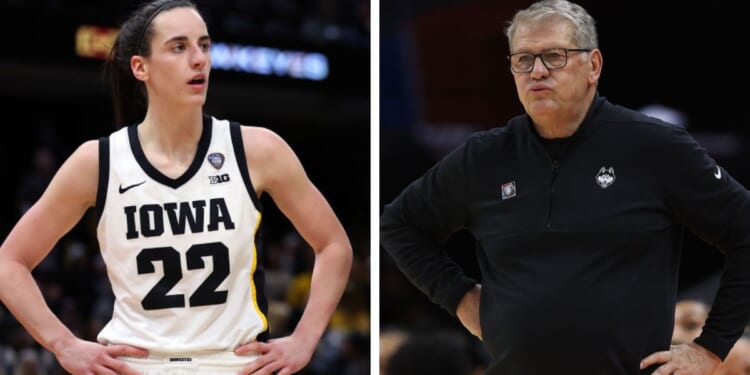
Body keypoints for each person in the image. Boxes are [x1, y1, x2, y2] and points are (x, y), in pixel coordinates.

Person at [380, 0, 750, 374]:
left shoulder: (656, 148)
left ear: (593, 66)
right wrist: (457, 295)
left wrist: (710, 347)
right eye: (522, 59)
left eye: (554, 56)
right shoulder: (484, 157)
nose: (536, 71)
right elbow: (399, 225)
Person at [0, 1, 353, 374]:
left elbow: (333, 245)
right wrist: (63, 343)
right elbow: (9, 262)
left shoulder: (256, 150)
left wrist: (305, 338)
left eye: (204, 45)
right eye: (179, 47)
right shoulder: (99, 161)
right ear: (141, 67)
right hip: (138, 365)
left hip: (234, 363)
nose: (199, 59)